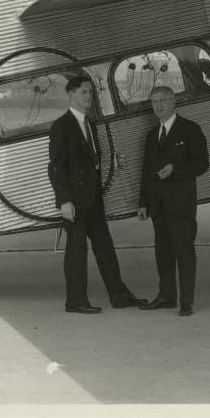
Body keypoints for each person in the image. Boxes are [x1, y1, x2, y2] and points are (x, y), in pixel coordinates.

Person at [47, 76, 144, 314]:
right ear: (70, 95)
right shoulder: (62, 125)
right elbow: (56, 166)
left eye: (90, 92)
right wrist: (64, 201)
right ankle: (76, 301)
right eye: (83, 92)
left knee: (105, 247)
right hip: (76, 201)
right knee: (77, 251)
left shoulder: (89, 123)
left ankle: (119, 295)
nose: (88, 96)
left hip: (93, 199)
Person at [137, 86, 209, 317]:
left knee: (184, 252)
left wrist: (176, 169)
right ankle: (167, 297)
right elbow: (146, 173)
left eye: (163, 100)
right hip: (158, 206)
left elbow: (202, 163)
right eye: (155, 101)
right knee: (163, 254)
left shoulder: (190, 130)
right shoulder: (151, 136)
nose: (158, 106)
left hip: (181, 205)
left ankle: (186, 301)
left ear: (173, 102)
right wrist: (143, 204)